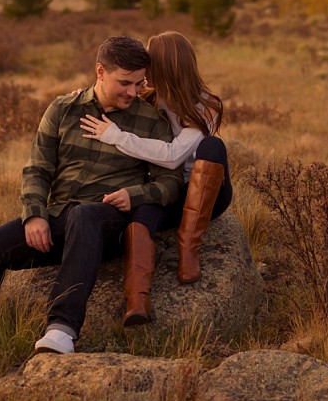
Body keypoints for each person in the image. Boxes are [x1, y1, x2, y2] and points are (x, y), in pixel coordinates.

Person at [0, 36, 183, 382]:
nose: (133, 91)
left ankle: (62, 329)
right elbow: (38, 169)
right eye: (124, 83)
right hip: (59, 217)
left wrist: (136, 195)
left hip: (107, 219)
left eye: (139, 83)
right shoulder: (62, 109)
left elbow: (170, 184)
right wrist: (35, 213)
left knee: (84, 216)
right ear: (100, 72)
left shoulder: (151, 121)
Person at [79, 30, 232, 288]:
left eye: (151, 63)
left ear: (167, 67)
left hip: (207, 194)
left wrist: (117, 137)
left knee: (213, 146)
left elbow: (173, 157)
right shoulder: (150, 98)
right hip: (172, 190)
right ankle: (137, 297)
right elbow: (113, 97)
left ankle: (188, 251)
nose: (145, 71)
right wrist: (86, 98)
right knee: (144, 209)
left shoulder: (206, 107)